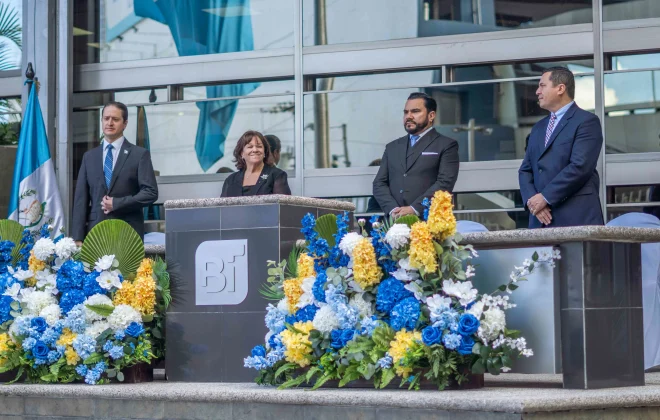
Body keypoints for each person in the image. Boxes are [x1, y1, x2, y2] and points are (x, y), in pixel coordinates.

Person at [519, 67, 604, 228]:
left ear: (560, 88)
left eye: (542, 85)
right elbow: (525, 170)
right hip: (540, 220)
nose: (537, 91)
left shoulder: (587, 122)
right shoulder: (538, 128)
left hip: (576, 217)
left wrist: (545, 197)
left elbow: (580, 166)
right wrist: (534, 203)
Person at [72, 101, 158, 243]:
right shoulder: (89, 157)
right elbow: (81, 200)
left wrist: (117, 203)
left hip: (128, 232)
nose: (110, 123)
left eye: (115, 119)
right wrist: (77, 238)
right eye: (106, 118)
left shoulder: (139, 154)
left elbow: (150, 193)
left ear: (125, 124)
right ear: (102, 121)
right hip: (96, 234)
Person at [373, 92, 459, 217]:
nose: (409, 116)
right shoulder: (392, 147)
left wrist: (414, 208)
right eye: (406, 112)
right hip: (394, 223)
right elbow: (379, 183)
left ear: (431, 115)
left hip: (428, 221)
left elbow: (445, 183)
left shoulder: (446, 145)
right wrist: (393, 209)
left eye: (415, 111)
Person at [221, 130, 291, 197]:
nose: (255, 150)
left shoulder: (277, 176)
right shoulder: (230, 180)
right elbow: (222, 208)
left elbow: (284, 207)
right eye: (250, 147)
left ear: (264, 152)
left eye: (259, 146)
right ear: (242, 153)